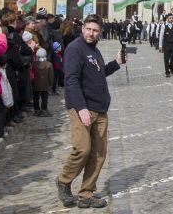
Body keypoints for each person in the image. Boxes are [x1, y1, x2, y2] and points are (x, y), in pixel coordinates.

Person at [57, 15, 125, 209]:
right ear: (83, 28)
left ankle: (86, 193)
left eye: (95, 30)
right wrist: (81, 108)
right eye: (88, 29)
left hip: (100, 108)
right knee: (83, 149)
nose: (91, 33)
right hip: (83, 108)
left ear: (99, 32)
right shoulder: (75, 49)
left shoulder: (94, 50)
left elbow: (98, 73)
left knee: (98, 154)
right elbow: (71, 80)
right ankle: (63, 181)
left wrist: (116, 63)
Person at [32, 48, 54, 117]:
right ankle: (44, 109)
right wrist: (51, 84)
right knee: (44, 98)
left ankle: (36, 110)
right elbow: (51, 76)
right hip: (45, 84)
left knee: (36, 97)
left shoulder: (34, 64)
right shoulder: (49, 64)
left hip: (35, 84)